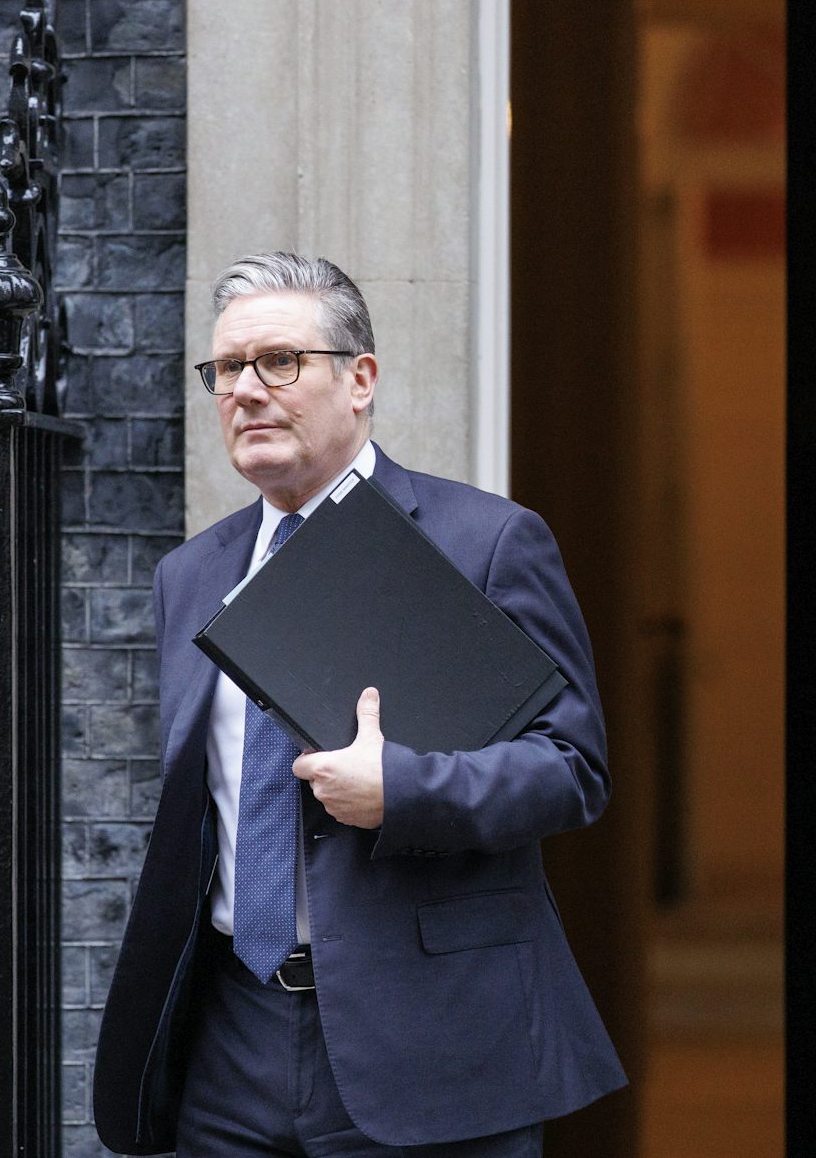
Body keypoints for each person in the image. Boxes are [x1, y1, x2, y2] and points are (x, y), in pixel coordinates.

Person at [92, 252, 625, 1157]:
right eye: (226, 370)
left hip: (427, 1043)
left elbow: (573, 768)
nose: (247, 391)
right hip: (228, 1039)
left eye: (280, 363)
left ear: (361, 379)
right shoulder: (190, 577)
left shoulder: (488, 542)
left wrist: (403, 789)